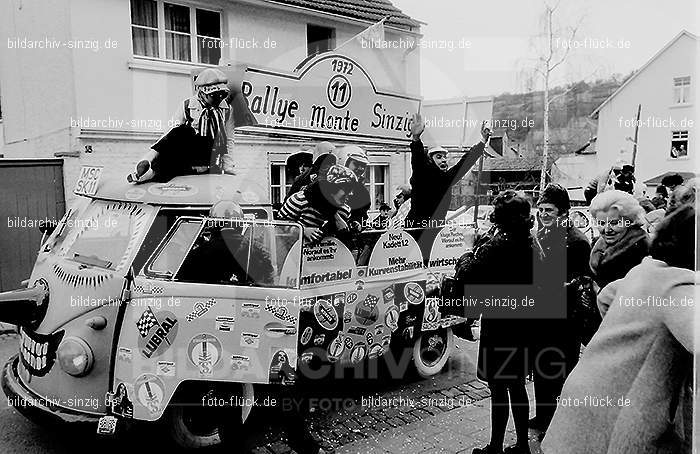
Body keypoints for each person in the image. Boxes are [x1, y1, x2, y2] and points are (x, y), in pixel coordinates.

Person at [542, 204, 696, 454]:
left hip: (588, 391)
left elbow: (605, 296)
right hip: (617, 412)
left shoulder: (645, 271)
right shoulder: (678, 287)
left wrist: (624, 336)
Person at [457, 191, 540, 454]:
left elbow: (467, 273)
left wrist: (469, 248)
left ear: (500, 217)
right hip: (525, 321)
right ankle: (523, 445)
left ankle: (495, 445)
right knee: (516, 385)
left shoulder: (495, 247)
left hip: (501, 324)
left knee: (498, 387)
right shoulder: (532, 243)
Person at [530, 184, 593, 434]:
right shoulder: (541, 234)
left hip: (565, 320)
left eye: (549, 210)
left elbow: (582, 285)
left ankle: (560, 423)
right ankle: (543, 416)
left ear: (564, 212)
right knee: (541, 368)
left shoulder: (577, 241)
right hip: (542, 315)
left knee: (560, 372)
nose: (543, 214)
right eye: (541, 209)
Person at [128, 68, 255, 183]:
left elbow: (228, 139)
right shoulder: (187, 105)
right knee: (180, 131)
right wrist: (156, 153)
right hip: (190, 152)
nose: (218, 99)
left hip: (212, 153)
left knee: (181, 143)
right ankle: (148, 165)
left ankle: (152, 172)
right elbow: (170, 133)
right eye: (214, 96)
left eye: (221, 95)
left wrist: (228, 167)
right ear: (203, 93)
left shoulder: (227, 110)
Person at [406, 114, 491, 226]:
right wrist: (416, 139)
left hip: (434, 231)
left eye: (445, 157)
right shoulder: (422, 174)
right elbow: (418, 159)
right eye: (439, 157)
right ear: (430, 160)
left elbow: (464, 164)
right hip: (415, 229)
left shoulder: (446, 178)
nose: (444, 160)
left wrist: (483, 141)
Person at [589, 190, 650, 290]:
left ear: (630, 221)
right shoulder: (599, 243)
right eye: (601, 223)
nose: (607, 230)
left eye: (614, 223)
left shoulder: (640, 250)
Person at [278, 165, 355, 244]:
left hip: (327, 254)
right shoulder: (300, 200)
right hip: (293, 251)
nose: (351, 194)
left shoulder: (344, 209)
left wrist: (347, 230)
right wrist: (302, 230)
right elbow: (279, 225)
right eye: (347, 190)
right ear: (332, 188)